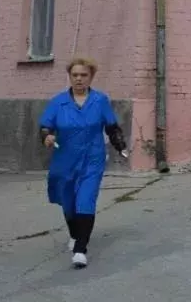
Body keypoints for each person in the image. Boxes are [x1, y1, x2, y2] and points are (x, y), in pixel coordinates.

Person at [39, 57, 127, 268]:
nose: (79, 79)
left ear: (91, 77)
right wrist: (47, 137)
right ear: (70, 76)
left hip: (92, 159)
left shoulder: (100, 100)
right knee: (68, 202)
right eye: (75, 75)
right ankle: (75, 234)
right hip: (65, 161)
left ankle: (80, 249)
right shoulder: (58, 102)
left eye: (83, 75)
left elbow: (112, 127)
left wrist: (120, 145)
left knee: (85, 199)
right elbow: (45, 127)